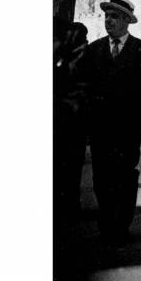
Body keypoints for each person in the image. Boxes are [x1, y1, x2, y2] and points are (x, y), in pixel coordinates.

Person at [78, 0, 141, 247]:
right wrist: (86, 125)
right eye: (106, 16)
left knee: (124, 177)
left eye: (114, 17)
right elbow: (85, 89)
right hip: (101, 127)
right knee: (101, 179)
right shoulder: (94, 50)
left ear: (126, 21)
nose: (108, 21)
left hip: (128, 128)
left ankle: (121, 225)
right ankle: (106, 226)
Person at [54, 19, 89, 227]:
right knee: (69, 173)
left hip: (67, 124)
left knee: (66, 171)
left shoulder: (70, 51)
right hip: (70, 124)